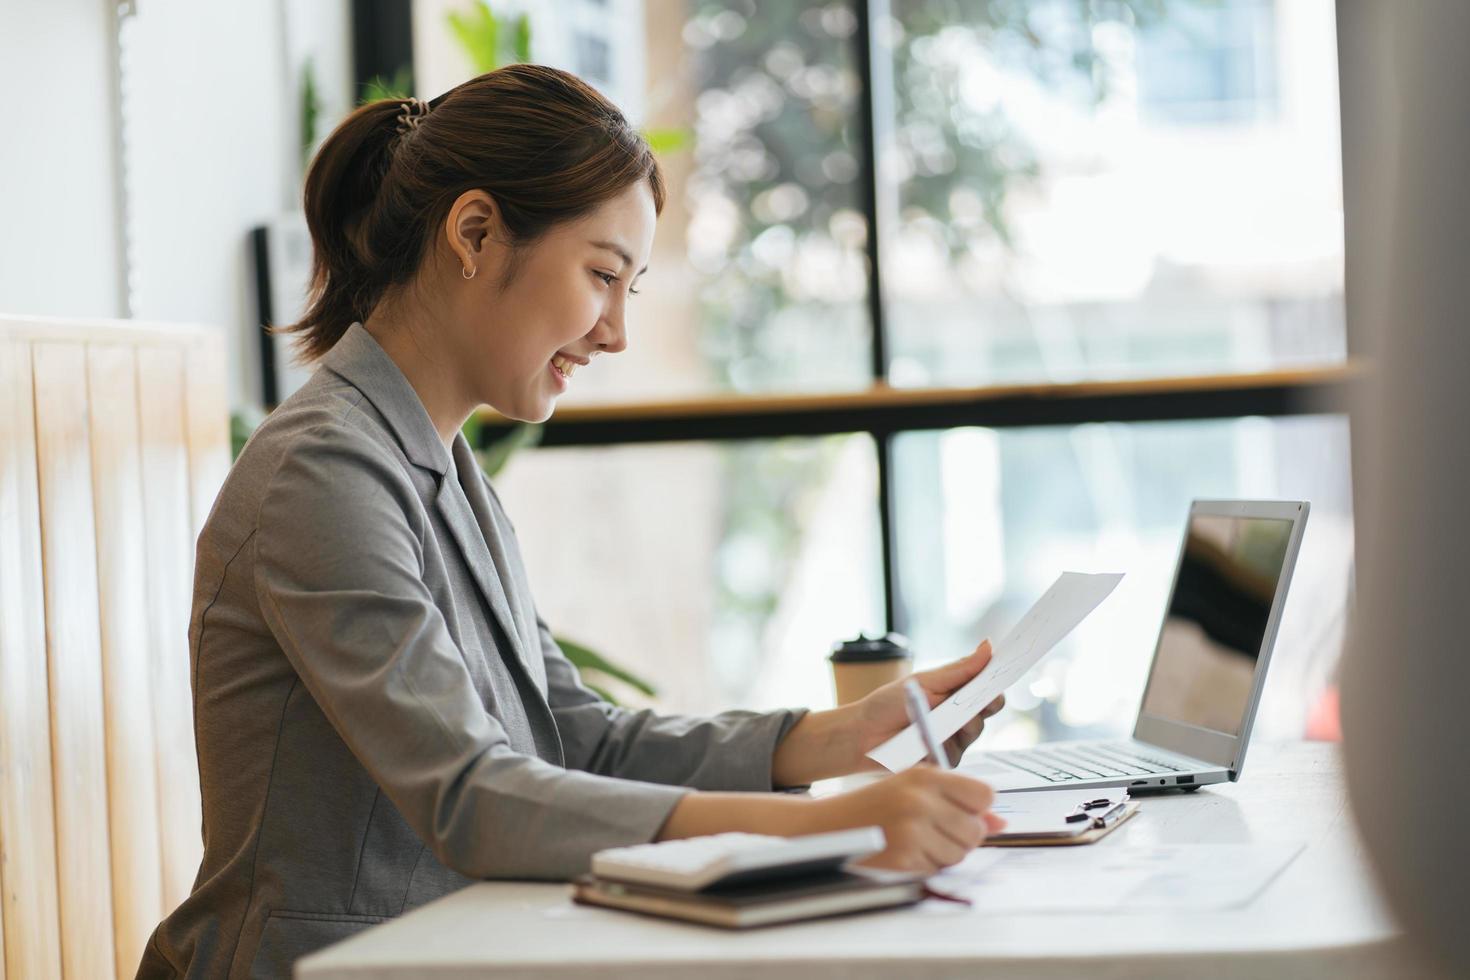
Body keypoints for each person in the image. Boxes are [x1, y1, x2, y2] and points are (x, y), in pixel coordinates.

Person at [137, 64, 1006, 979]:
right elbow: (472, 799)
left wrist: (835, 740)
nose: (616, 331)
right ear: (473, 233)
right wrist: (823, 825)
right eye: (604, 275)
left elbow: (575, 737)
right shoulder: (323, 470)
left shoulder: (440, 466)